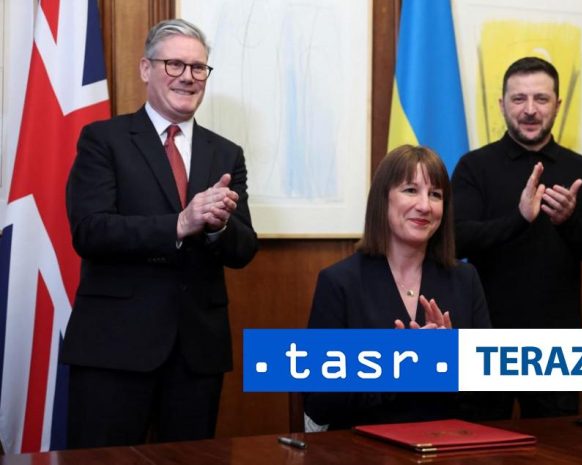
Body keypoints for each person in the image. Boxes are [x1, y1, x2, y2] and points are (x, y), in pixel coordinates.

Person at [62, 19, 258, 448]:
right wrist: (180, 223)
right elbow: (90, 231)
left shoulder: (226, 153)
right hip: (114, 348)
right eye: (174, 64)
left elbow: (244, 248)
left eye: (198, 68)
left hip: (196, 354)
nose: (188, 77)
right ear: (145, 69)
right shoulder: (103, 139)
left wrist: (219, 226)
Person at [451, 56, 582, 419]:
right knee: (478, 443)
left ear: (557, 104)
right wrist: (520, 219)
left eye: (541, 98)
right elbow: (455, 240)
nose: (529, 109)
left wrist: (567, 221)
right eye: (518, 98)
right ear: (502, 105)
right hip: (484, 340)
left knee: (559, 446)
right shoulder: (474, 167)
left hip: (555, 347)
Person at [304, 145, 491, 430]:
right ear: (383, 200)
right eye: (411, 190)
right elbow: (319, 403)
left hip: (446, 443)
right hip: (364, 447)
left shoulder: (465, 279)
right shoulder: (340, 282)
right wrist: (394, 366)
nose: (425, 205)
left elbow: (490, 398)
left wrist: (449, 361)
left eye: (436, 194)